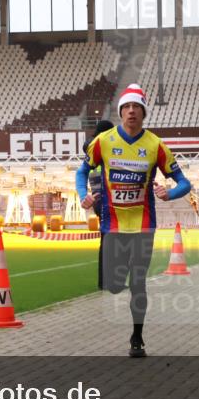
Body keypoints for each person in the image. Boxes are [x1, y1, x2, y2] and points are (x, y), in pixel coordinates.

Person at [75, 84, 192, 357]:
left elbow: (184, 182)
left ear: (143, 113)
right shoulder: (103, 141)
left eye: (136, 107)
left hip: (143, 226)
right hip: (112, 225)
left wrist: (169, 193)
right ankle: (120, 278)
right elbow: (81, 172)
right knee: (114, 285)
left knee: (138, 282)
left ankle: (137, 337)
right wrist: (83, 195)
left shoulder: (156, 145)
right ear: (120, 112)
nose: (131, 112)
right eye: (126, 107)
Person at [83, 120, 115, 290]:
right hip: (105, 198)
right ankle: (107, 282)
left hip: (98, 198)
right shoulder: (102, 148)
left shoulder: (91, 149)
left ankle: (106, 281)